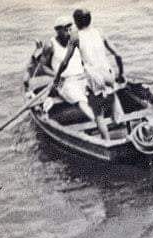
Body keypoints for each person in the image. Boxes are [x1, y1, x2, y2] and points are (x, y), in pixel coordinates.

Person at [51, 9, 124, 141]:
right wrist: (121, 74)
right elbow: (118, 55)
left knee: (98, 114)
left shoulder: (76, 37)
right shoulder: (100, 32)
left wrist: (57, 77)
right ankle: (122, 129)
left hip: (94, 76)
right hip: (108, 72)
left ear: (77, 22)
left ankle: (107, 141)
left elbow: (65, 62)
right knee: (112, 99)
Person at [28, 16, 94, 121]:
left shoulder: (75, 41)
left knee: (103, 87)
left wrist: (87, 72)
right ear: (57, 30)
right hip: (63, 81)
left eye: (70, 27)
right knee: (81, 101)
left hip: (82, 77)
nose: (69, 31)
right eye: (65, 28)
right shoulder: (50, 45)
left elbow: (85, 61)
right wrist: (57, 76)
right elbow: (42, 67)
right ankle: (98, 123)